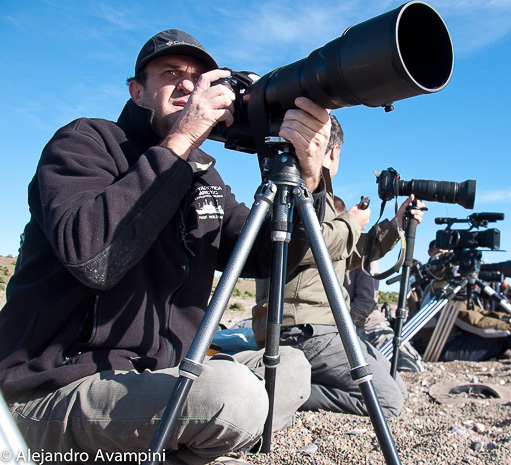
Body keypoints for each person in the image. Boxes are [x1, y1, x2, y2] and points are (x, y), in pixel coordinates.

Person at [0, 29, 331, 463]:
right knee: (234, 398)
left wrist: (307, 180)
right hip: (55, 388)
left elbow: (267, 257)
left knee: (290, 369)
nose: (189, 86)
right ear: (138, 91)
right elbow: (93, 256)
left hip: (160, 377)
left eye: (200, 78)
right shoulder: (85, 143)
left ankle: (177, 446)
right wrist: (180, 144)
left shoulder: (204, 178)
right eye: (171, 74)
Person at [252, 115, 425, 418]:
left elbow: (348, 253)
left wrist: (396, 225)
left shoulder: (319, 195)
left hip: (324, 327)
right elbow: (304, 247)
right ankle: (280, 390)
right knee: (387, 402)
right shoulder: (291, 188)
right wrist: (351, 222)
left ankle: (294, 382)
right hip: (302, 328)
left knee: (398, 385)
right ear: (332, 152)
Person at [339, 196, 423, 373]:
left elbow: (365, 302)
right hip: (340, 326)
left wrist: (340, 326)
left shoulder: (361, 251)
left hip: (366, 326)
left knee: (410, 366)